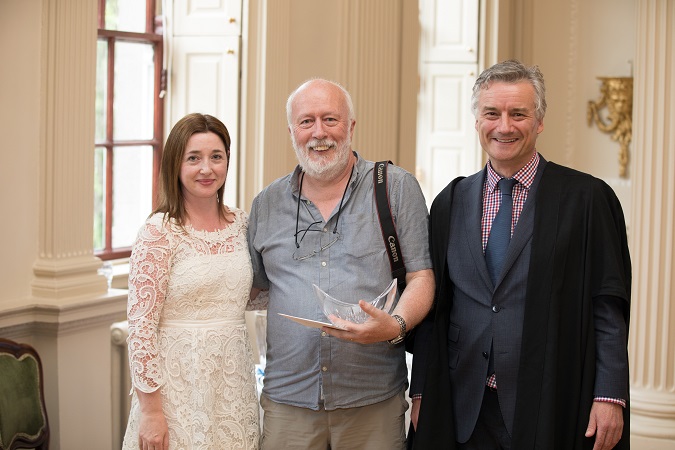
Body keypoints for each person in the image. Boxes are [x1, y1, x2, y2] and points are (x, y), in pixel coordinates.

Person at [409, 60, 631, 450]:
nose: (504, 126)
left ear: (540, 120)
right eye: (492, 113)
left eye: (518, 114)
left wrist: (609, 394)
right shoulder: (450, 202)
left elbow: (608, 307)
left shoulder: (586, 201)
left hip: (550, 401)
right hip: (463, 405)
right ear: (477, 120)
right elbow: (434, 310)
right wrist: (422, 390)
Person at [247, 78, 435, 450]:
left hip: (372, 400)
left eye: (330, 120)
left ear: (350, 127)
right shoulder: (266, 203)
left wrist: (394, 325)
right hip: (288, 402)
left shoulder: (395, 188)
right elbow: (252, 288)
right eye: (306, 122)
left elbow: (422, 276)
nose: (319, 133)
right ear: (291, 132)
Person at [122, 113, 265, 450]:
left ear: (227, 161)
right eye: (194, 158)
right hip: (177, 392)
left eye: (216, 157)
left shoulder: (242, 223)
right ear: (176, 164)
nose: (207, 168)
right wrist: (151, 411)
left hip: (233, 385)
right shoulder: (159, 231)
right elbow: (141, 326)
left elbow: (249, 293)